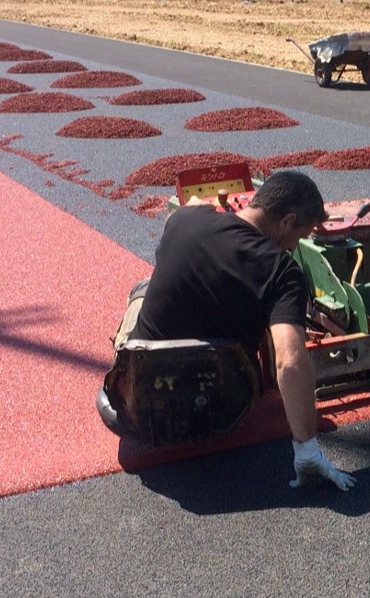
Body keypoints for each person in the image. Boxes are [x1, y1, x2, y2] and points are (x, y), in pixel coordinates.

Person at [127, 171, 356, 491]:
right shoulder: (283, 273)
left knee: (143, 289)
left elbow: (185, 212)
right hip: (221, 403)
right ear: (287, 222)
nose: (296, 245)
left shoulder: (185, 220)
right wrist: (307, 449)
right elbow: (289, 362)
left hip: (135, 400)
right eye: (301, 236)